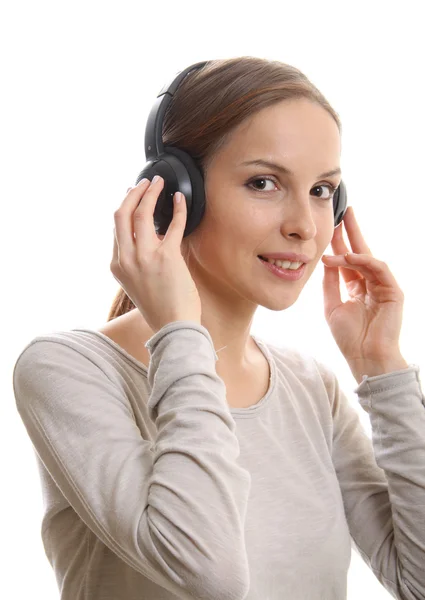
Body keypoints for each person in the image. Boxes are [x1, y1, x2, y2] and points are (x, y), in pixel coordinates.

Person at [12, 57, 424, 600]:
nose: (304, 225)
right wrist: (181, 330)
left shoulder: (312, 388)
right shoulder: (67, 370)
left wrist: (383, 371)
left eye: (323, 190)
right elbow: (209, 575)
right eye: (264, 182)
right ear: (173, 193)